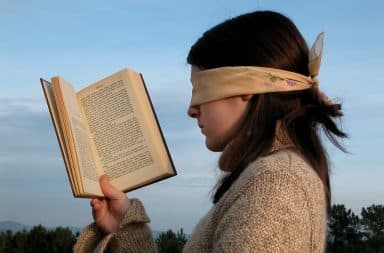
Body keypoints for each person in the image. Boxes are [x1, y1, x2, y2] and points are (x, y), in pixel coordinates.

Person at [74, 10, 347, 253]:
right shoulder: (276, 178)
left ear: (244, 87)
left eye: (199, 89)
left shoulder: (276, 186)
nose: (191, 109)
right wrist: (124, 226)